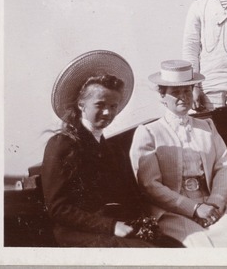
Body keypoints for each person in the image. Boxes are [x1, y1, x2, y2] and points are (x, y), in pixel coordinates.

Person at [41, 50, 171, 247]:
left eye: (113, 106)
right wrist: (111, 226)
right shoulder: (62, 144)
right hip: (79, 234)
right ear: (81, 104)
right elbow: (59, 209)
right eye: (100, 104)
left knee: (174, 246)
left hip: (115, 228)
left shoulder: (111, 148)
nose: (107, 112)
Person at [129, 59, 227, 247]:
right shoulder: (149, 132)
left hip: (213, 204)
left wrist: (214, 204)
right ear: (162, 96)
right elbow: (150, 185)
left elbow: (223, 166)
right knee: (199, 246)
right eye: (175, 92)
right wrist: (194, 209)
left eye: (187, 90)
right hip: (172, 211)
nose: (183, 96)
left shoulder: (207, 126)